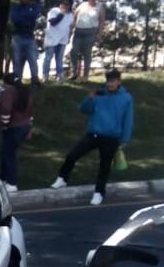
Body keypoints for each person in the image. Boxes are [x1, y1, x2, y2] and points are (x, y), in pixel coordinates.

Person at [50, 68, 133, 205]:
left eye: (113, 82)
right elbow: (84, 109)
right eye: (108, 81)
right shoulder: (99, 94)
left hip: (111, 137)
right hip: (93, 133)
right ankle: (62, 178)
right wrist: (90, 98)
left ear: (119, 82)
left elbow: (128, 119)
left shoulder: (126, 98)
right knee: (72, 155)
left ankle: (99, 193)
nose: (110, 84)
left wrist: (124, 139)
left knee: (104, 166)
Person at [0, 74, 33, 192]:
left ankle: (12, 183)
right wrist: (30, 127)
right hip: (24, 126)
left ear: (6, 83)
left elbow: (5, 108)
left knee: (8, 155)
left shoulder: (9, 91)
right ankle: (2, 178)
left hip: (13, 127)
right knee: (7, 152)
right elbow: (30, 111)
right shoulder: (24, 91)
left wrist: (4, 124)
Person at [69, 0, 106, 82]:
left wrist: (99, 35)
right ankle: (74, 73)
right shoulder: (82, 5)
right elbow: (74, 17)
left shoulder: (100, 7)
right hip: (78, 31)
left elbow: (102, 21)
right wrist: (70, 31)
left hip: (91, 31)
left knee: (87, 53)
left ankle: (85, 75)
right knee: (74, 51)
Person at [10, 0, 42, 83]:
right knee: (16, 60)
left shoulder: (34, 6)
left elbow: (35, 14)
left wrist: (23, 16)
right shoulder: (16, 7)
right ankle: (17, 80)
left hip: (30, 36)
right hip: (18, 36)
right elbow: (15, 19)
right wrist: (28, 16)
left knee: (32, 59)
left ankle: (35, 79)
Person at [42, 0, 74, 83]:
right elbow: (52, 22)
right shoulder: (54, 11)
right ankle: (45, 76)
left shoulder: (70, 15)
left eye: (67, 4)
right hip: (52, 38)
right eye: (63, 3)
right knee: (48, 58)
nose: (64, 5)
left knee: (59, 58)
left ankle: (59, 76)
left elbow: (70, 27)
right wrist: (61, 14)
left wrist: (68, 37)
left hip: (62, 39)